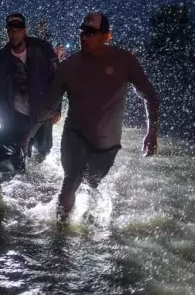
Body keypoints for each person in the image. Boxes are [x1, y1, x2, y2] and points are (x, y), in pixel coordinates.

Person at [21, 12, 159, 216]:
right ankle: (59, 236)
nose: (84, 37)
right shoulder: (69, 67)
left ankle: (87, 218)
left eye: (91, 33)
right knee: (70, 183)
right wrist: (28, 135)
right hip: (74, 136)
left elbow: (150, 96)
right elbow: (49, 106)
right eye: (82, 32)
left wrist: (152, 132)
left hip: (107, 146)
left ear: (106, 36)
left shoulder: (125, 61)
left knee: (90, 183)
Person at [0, 13, 61, 162]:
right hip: (18, 113)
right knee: (20, 150)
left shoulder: (43, 49)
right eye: (10, 30)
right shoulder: (3, 57)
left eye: (17, 30)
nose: (13, 34)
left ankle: (39, 161)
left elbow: (58, 78)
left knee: (43, 149)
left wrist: (57, 108)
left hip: (41, 110)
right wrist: (3, 119)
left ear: (24, 30)